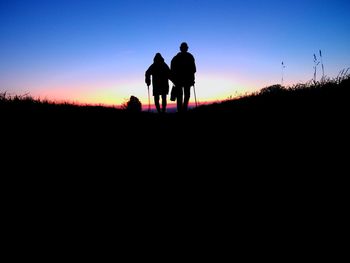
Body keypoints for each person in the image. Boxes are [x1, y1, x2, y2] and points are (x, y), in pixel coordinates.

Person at [171, 42, 196, 112]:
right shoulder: (190, 56)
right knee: (186, 95)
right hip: (186, 79)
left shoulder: (176, 58)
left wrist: (174, 79)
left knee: (180, 95)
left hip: (179, 80)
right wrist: (192, 79)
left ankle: (181, 110)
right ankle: (183, 109)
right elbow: (193, 69)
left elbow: (172, 70)